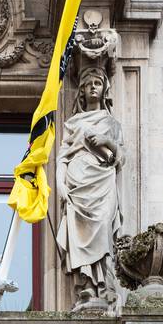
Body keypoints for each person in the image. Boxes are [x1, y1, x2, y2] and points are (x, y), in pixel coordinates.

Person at [56, 67, 125, 307]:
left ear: (104, 89)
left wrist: (107, 141)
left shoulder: (111, 123)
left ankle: (103, 286)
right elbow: (62, 157)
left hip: (103, 180)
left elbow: (121, 157)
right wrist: (60, 185)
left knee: (104, 229)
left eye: (98, 83)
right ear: (82, 91)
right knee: (79, 234)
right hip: (77, 180)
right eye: (88, 84)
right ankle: (86, 285)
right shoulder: (74, 123)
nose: (93, 87)